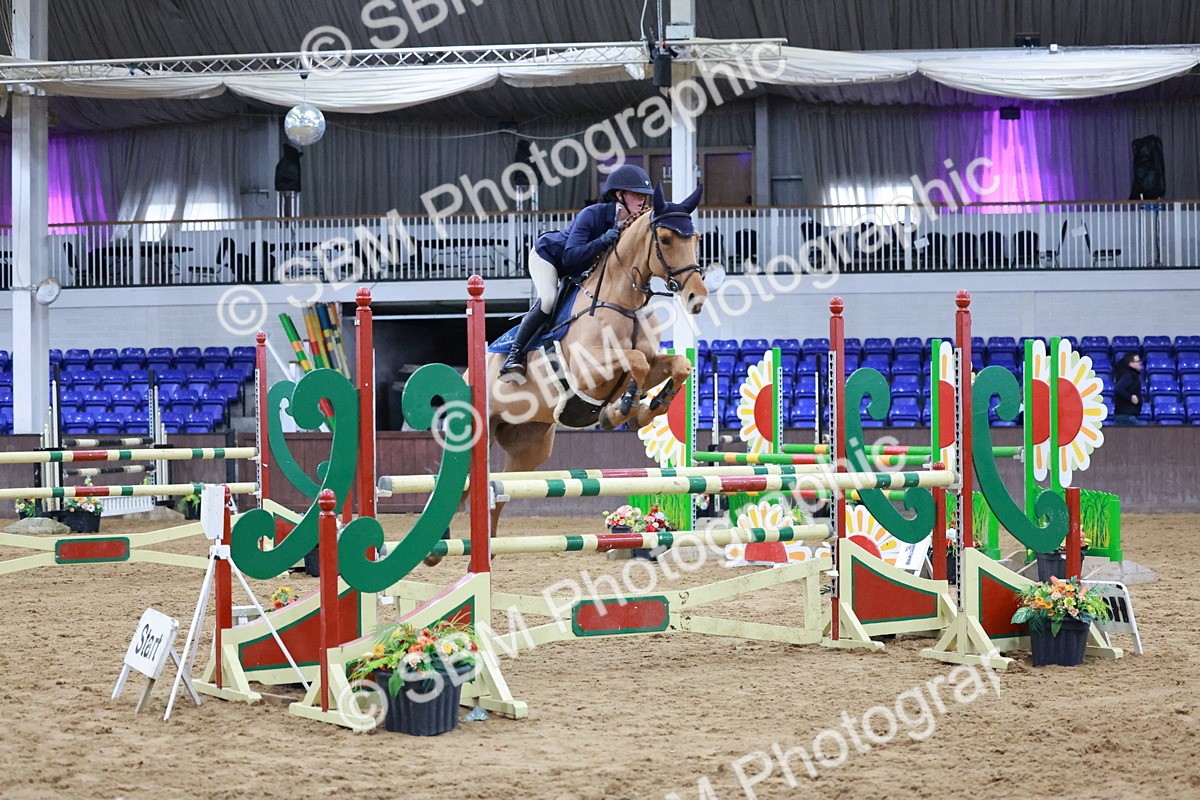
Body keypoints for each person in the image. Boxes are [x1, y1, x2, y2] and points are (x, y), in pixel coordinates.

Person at [499, 164, 655, 381]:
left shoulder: (631, 225)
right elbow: (570, 257)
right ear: (619, 195)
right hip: (550, 257)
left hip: (582, 270)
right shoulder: (592, 214)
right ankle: (514, 356)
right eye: (637, 194)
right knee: (548, 300)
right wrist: (601, 241)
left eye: (644, 196)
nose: (642, 200)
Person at [1112, 351, 1143, 425]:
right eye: (1138, 361)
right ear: (1131, 363)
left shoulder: (1127, 374)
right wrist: (1131, 397)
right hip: (1126, 416)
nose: (1140, 363)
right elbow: (1119, 389)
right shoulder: (1128, 375)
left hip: (1125, 415)